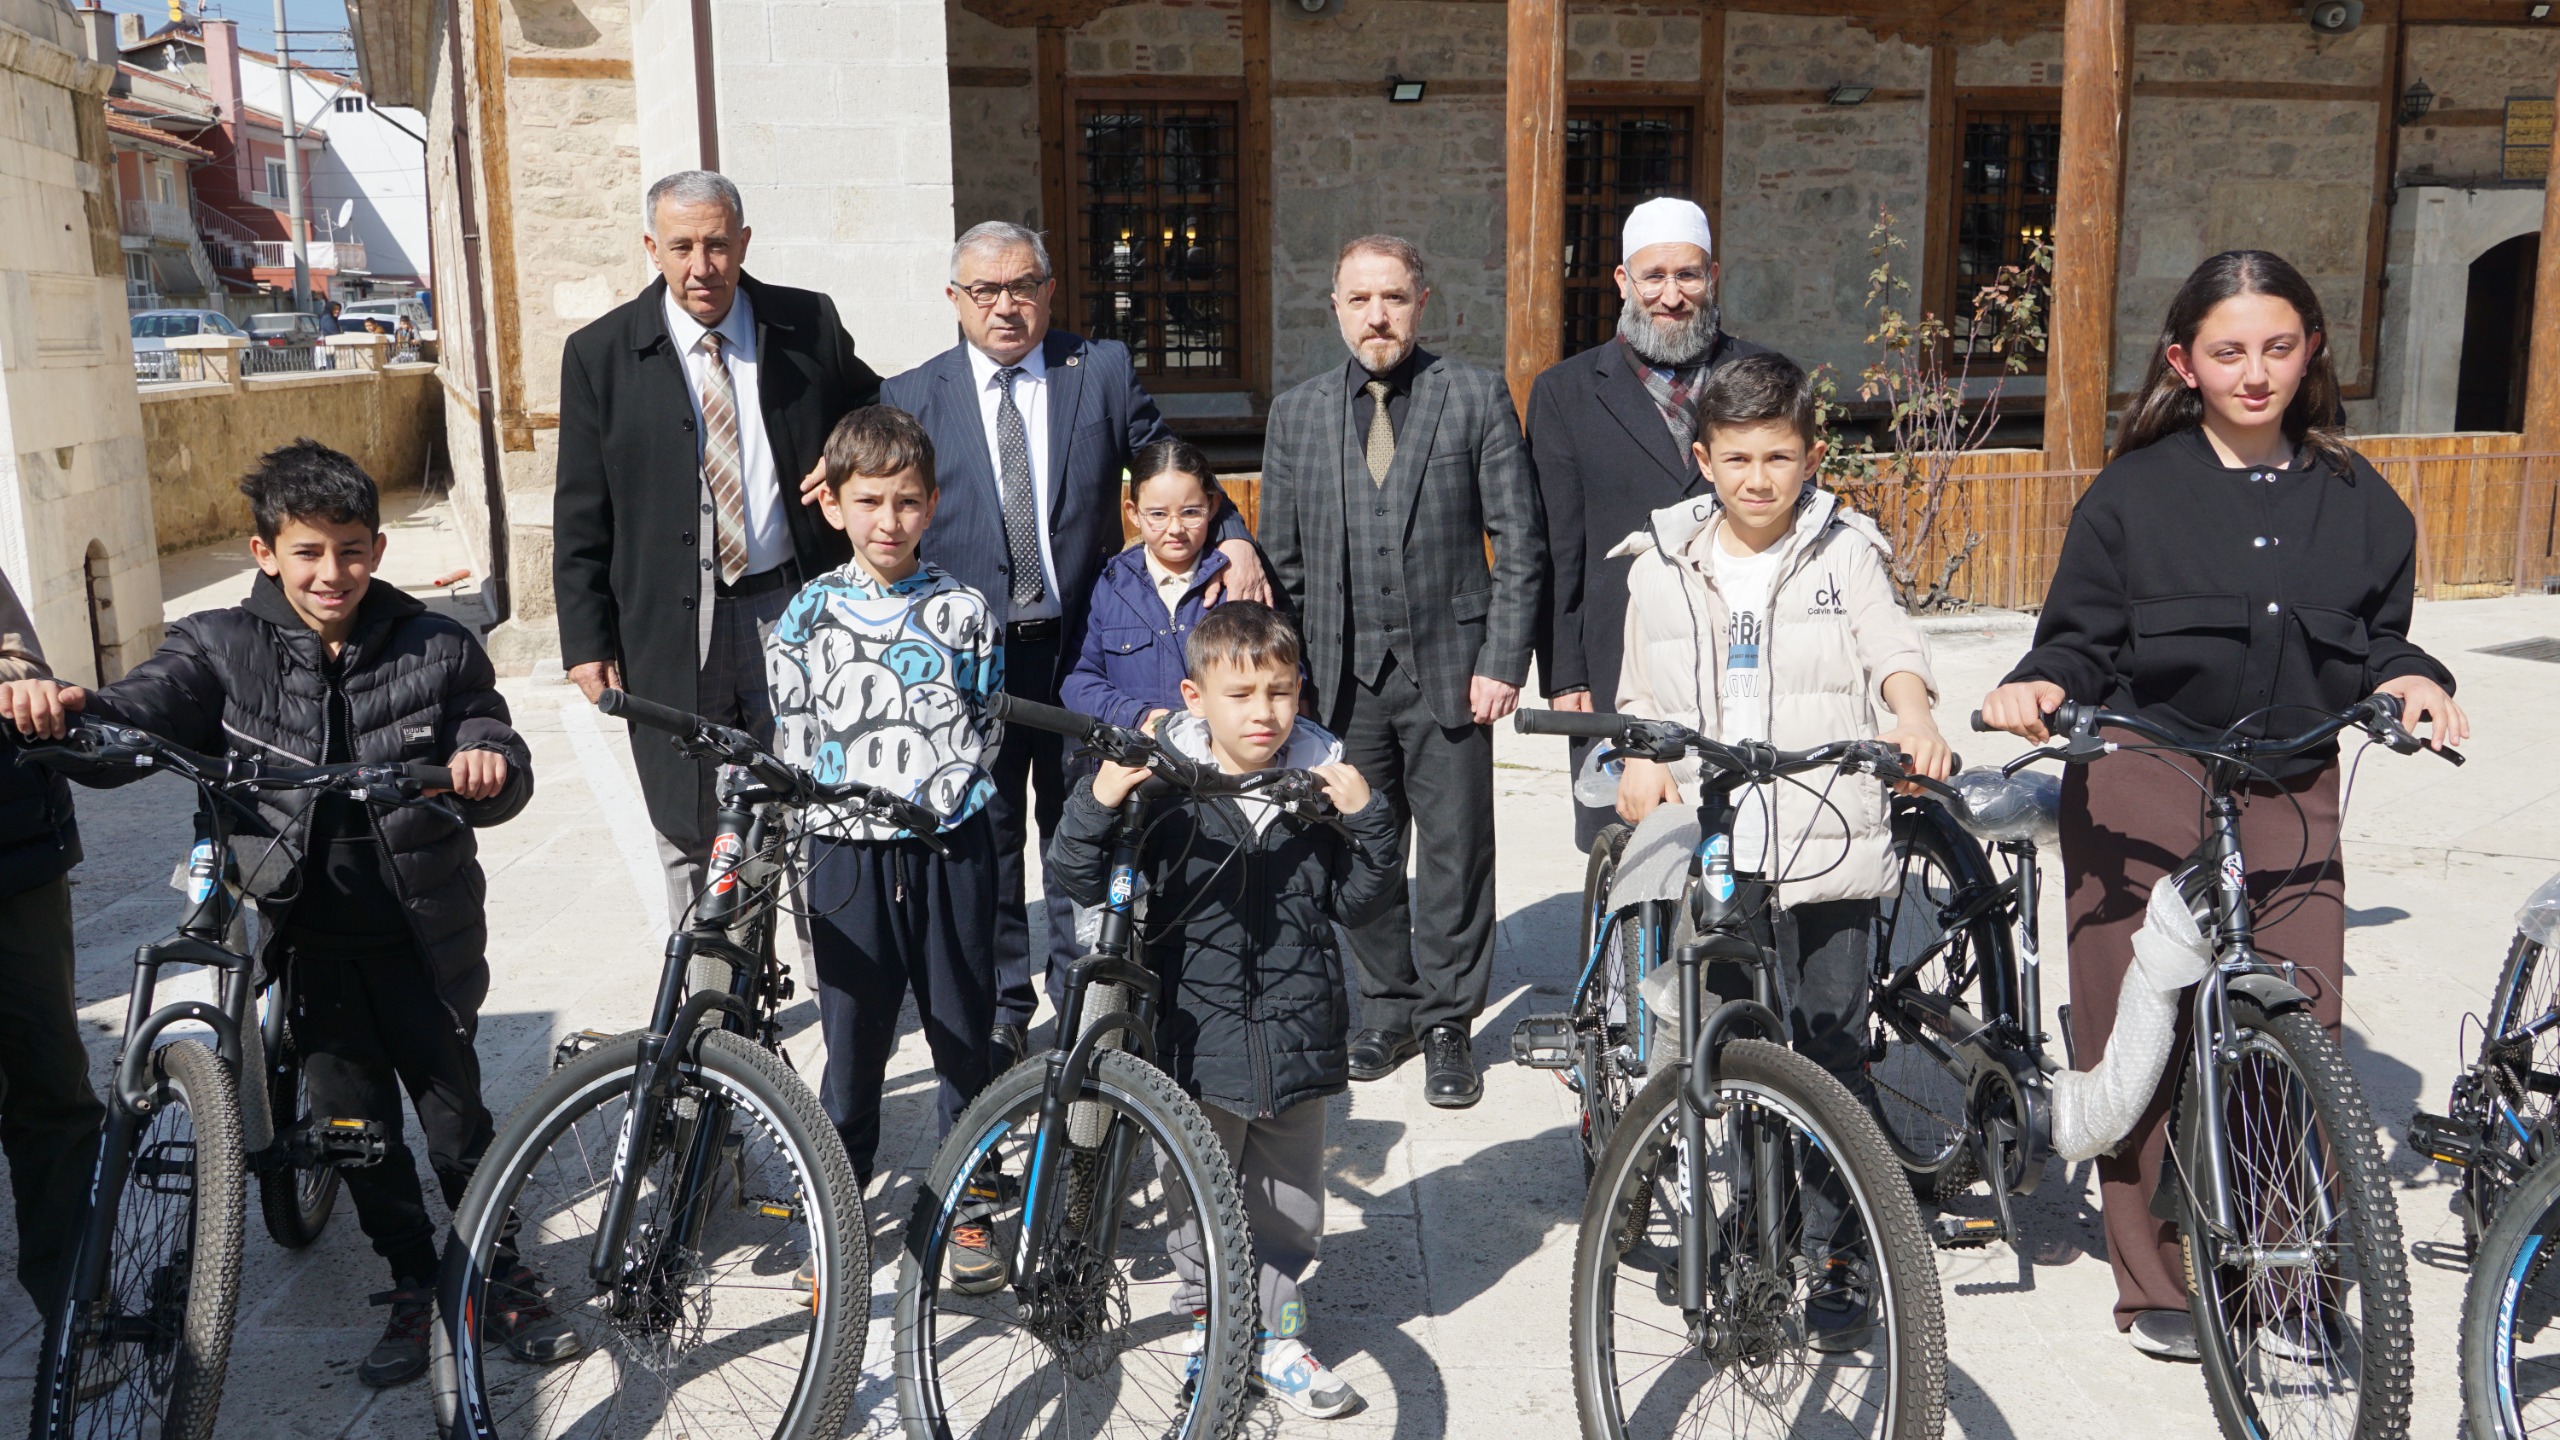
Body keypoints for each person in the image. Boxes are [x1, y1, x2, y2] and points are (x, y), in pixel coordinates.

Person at [1978, 249, 2466, 1361]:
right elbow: (2072, 639)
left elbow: (2384, 635)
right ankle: (2155, 1282)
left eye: (2278, 347)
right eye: (2229, 350)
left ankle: (2286, 1284)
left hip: (2290, 779)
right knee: (2139, 1032)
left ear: (2312, 352)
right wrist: (2040, 685)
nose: (2256, 372)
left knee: (2300, 1023)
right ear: (2183, 362)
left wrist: (2414, 677)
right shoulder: (2131, 494)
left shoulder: (2360, 502)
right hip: (2144, 770)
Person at [0, 441, 572, 1387]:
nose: (331, 573)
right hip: (306, 936)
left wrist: (486, 760)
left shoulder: (436, 644)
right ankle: (408, 1277)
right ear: (266, 552)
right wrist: (76, 712)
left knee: (454, 1115)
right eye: (307, 553)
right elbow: (145, 708)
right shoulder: (217, 645)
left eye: (350, 550)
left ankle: (496, 1270)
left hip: (420, 929)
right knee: (354, 1125)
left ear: (379, 549)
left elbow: (487, 729)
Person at [863, 221, 1268, 1068]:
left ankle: (1081, 986)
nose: (1005, 306)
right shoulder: (911, 392)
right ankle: (1008, 1006)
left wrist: (1233, 534)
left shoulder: (1103, 369)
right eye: (985, 291)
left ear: (1050, 291)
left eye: (1022, 288)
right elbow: (880, 496)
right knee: (991, 828)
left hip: (1083, 651)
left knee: (1086, 817)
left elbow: (1165, 465)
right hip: (973, 656)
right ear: (955, 300)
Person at [1608, 353, 1949, 1350]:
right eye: (1739, 459)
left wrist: (1913, 715)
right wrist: (1638, 757)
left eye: (1780, 457)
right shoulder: (1661, 563)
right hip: (1721, 844)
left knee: (1832, 1048)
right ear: (1704, 460)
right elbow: (1641, 691)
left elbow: (1895, 655)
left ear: (1810, 456)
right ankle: (1759, 1233)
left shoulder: (1846, 552)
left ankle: (1840, 1248)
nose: (1759, 479)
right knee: (1741, 1046)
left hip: (1825, 828)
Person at [1047, 601, 1401, 1419]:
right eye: (1241, 694)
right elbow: (1078, 878)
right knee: (1198, 1203)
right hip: (1193, 1042)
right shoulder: (1165, 783)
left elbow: (1358, 903)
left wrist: (1371, 823)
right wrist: (1098, 802)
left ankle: (1275, 1336)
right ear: (1193, 695)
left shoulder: (1316, 783)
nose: (1264, 713)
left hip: (1298, 1034)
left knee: (1289, 1210)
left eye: (1280, 692)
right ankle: (1213, 1333)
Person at [1257, 233, 1544, 1108]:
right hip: (1341, 677)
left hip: (1453, 669)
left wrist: (1503, 659)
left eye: (1393, 298)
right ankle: (1386, 1007)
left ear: (1423, 302)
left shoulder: (1474, 396)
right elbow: (1283, 563)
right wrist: (1287, 680)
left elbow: (1520, 541)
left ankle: (1451, 1017)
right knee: (1359, 849)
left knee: (1457, 852)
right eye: (1359, 300)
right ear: (1335, 308)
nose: (1377, 316)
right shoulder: (1296, 413)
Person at [554, 169, 882, 925]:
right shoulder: (599, 354)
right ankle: (711, 996)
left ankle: (830, 982)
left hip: (789, 606)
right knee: (690, 819)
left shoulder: (807, 326)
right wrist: (586, 640)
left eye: (717, 245)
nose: (701, 267)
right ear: (652, 248)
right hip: (670, 627)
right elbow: (580, 511)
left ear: (743, 243)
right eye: (682, 247)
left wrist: (844, 456)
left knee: (810, 801)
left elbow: (874, 406)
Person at [765, 405, 1006, 1283]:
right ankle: (836, 1209)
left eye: (907, 501)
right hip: (844, 856)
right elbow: (793, 734)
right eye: (869, 501)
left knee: (961, 1033)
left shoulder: (966, 610)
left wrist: (941, 801)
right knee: (854, 1041)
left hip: (948, 849)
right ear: (833, 504)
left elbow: (986, 724)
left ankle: (970, 1205)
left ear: (933, 504)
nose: (888, 520)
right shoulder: (806, 615)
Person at [1527, 197, 1778, 849]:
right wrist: (1564, 675)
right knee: (1630, 846)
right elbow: (1556, 546)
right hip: (1617, 661)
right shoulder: (1565, 392)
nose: (1672, 295)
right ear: (1623, 282)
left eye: (1688, 275)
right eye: (1655, 276)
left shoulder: (1764, 379)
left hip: (1745, 655)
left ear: (1713, 276)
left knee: (1745, 843)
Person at [0, 570, 103, 1321]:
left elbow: (21, 662)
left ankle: (76, 1310)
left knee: (50, 1082)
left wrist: (24, 685)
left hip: (13, 857)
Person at [1060, 437, 1247, 732]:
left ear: (1212, 507)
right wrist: (1136, 716)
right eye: (1158, 514)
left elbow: (1277, 671)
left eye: (1190, 512)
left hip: (1224, 760)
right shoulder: (1109, 587)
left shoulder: (1237, 582)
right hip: (1137, 760)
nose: (1175, 528)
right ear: (1133, 512)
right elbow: (1079, 679)